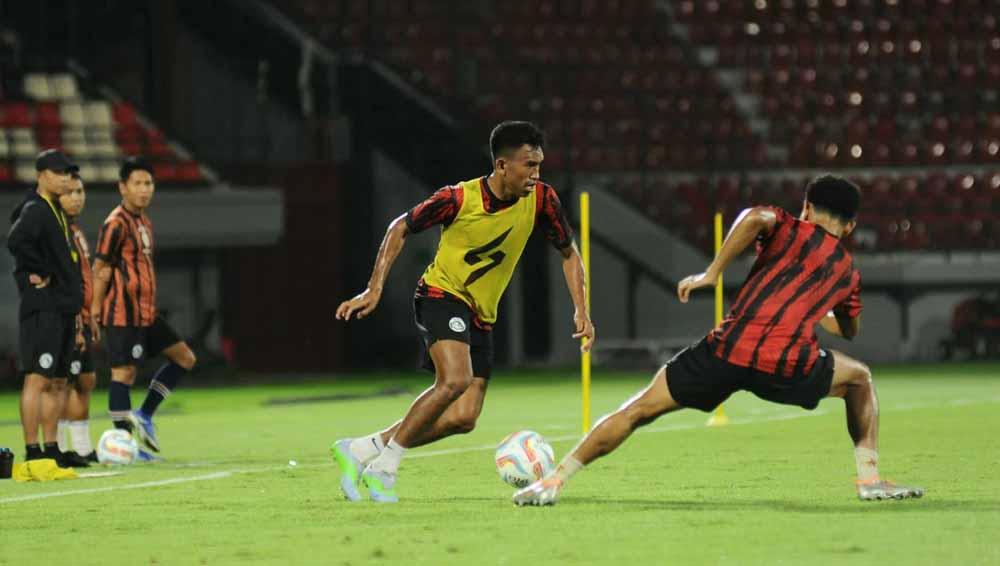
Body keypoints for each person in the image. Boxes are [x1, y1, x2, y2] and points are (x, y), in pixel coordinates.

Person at [513, 175, 923, 505]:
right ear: (850, 227)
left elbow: (755, 216)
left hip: (726, 350)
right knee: (860, 379)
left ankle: (553, 481)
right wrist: (811, 308)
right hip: (787, 364)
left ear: (807, 208)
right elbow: (849, 330)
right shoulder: (848, 273)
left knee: (638, 409)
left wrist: (712, 272)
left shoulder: (787, 224)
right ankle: (869, 480)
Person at [333, 121, 595, 503]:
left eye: (539, 165)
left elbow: (569, 253)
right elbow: (399, 227)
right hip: (441, 294)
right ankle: (384, 469)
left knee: (464, 417)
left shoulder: (542, 199)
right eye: (529, 165)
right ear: (502, 165)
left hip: (481, 314)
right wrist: (374, 287)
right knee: (454, 380)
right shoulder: (458, 198)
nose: (536, 174)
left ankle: (361, 449)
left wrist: (581, 310)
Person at [89, 157, 197, 459]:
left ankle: (145, 414)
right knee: (123, 373)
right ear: (122, 187)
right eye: (137, 183)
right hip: (122, 314)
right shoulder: (115, 223)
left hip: (147, 313)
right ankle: (124, 445)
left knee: (185, 358)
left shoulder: (143, 221)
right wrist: (94, 311)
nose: (144, 189)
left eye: (148, 183)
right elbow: (101, 269)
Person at [7, 149, 83, 467]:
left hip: (63, 306)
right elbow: (16, 241)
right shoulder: (35, 208)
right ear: (41, 176)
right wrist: (39, 270)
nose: (65, 178)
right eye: (58, 172)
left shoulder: (56, 210)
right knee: (37, 378)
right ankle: (32, 449)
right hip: (44, 307)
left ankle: (51, 446)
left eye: (68, 173)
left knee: (58, 381)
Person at [55, 173, 99, 464]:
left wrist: (90, 313)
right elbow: (64, 282)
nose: (77, 197)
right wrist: (75, 323)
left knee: (86, 380)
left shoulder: (77, 231)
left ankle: (82, 447)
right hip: (67, 318)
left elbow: (85, 277)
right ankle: (57, 446)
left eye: (80, 191)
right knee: (63, 384)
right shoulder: (57, 232)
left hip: (83, 316)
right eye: (70, 192)